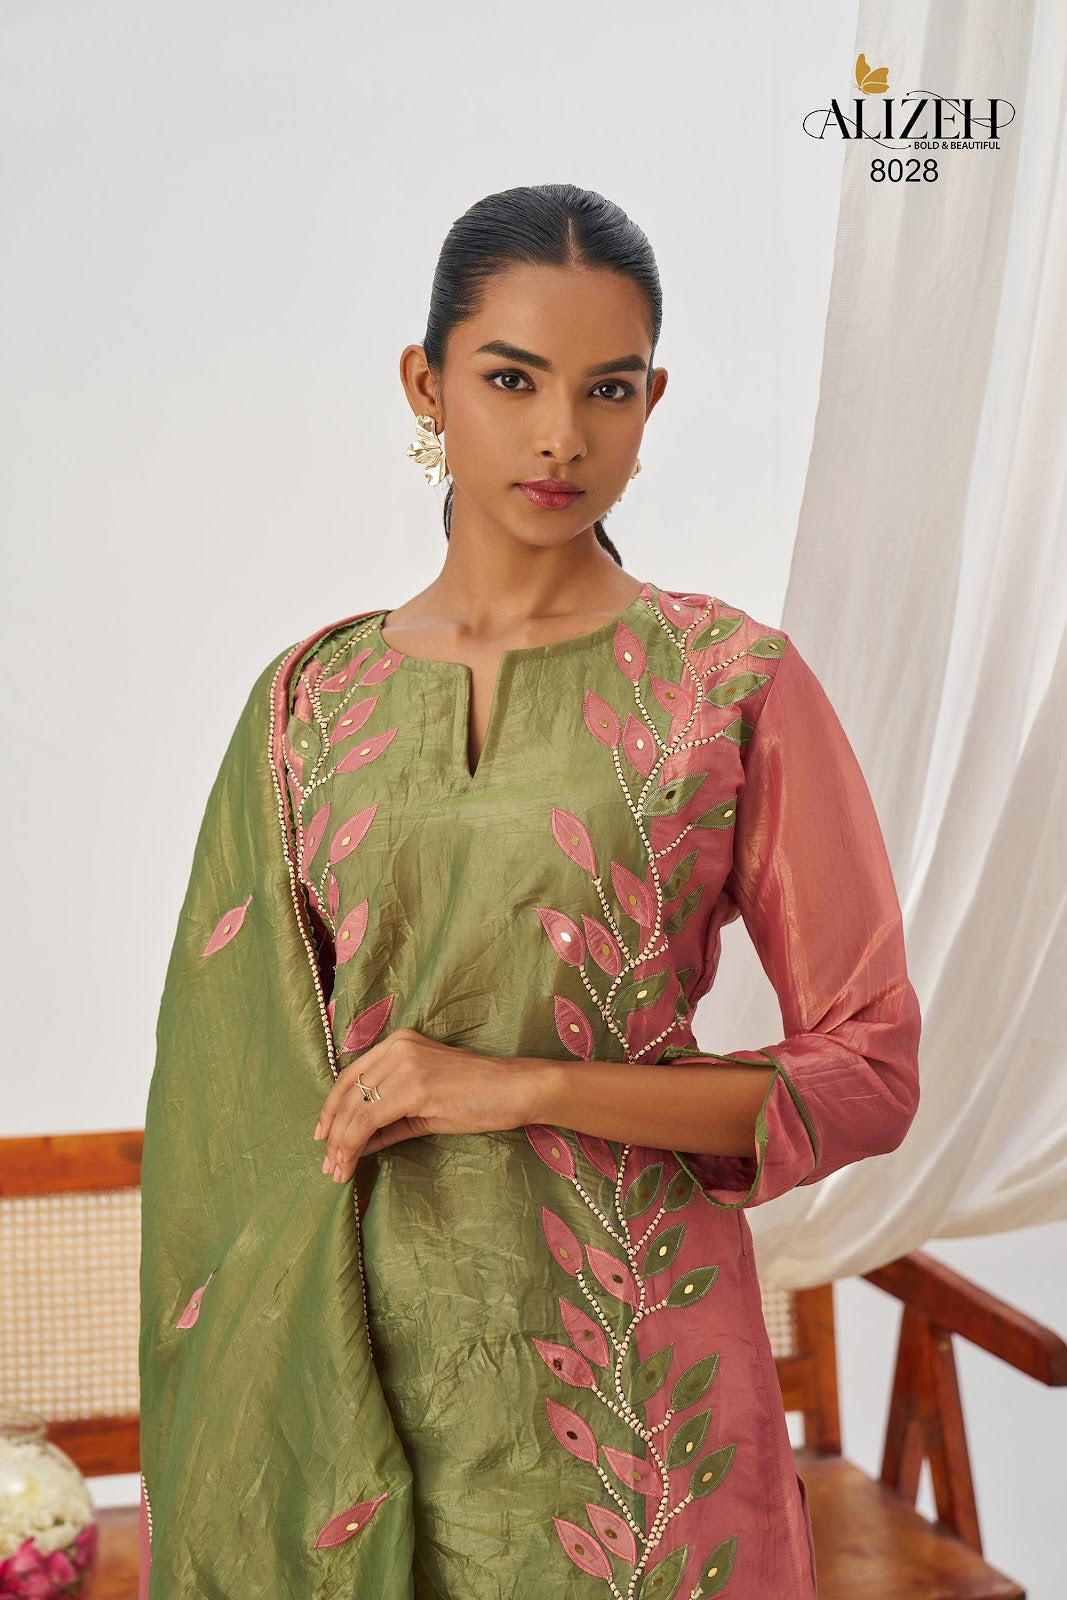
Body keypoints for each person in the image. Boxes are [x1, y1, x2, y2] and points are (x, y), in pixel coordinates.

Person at [138, 182, 921, 1600]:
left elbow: (870, 1071)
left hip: (645, 1412)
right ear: (425, 385)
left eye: (608, 389)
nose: (563, 435)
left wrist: (527, 1085)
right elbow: (229, 1116)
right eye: (513, 380)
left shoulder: (727, 685)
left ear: (652, 403)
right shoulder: (308, 707)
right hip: (361, 1394)